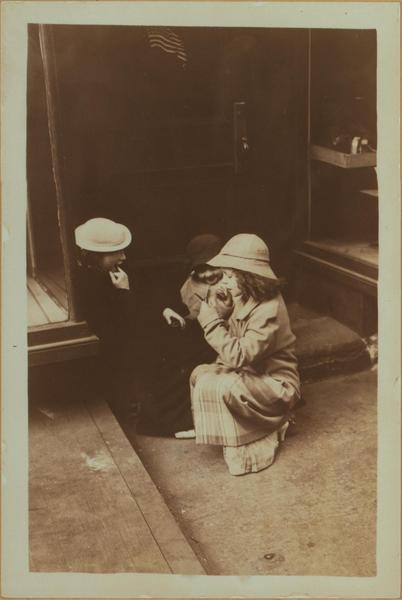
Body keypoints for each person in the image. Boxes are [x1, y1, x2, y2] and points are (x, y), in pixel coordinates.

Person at [191, 233, 301, 476]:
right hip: (251, 374)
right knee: (200, 375)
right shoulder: (247, 295)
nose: (225, 281)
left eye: (230, 276)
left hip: (276, 383)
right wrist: (224, 308)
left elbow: (239, 356)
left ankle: (269, 426)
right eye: (226, 274)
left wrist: (210, 323)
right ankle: (242, 432)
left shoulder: (269, 309)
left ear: (248, 276)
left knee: (226, 387)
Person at [136, 234, 223, 438]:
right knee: (173, 364)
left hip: (226, 335)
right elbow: (194, 316)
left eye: (213, 266)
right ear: (194, 269)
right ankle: (170, 421)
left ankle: (177, 419)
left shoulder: (231, 280)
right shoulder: (190, 286)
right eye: (202, 269)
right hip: (204, 332)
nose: (209, 273)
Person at [74, 217, 145, 421]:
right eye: (116, 252)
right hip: (110, 351)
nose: (123, 257)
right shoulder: (92, 284)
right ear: (96, 256)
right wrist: (124, 292)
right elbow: (121, 327)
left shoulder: (99, 274)